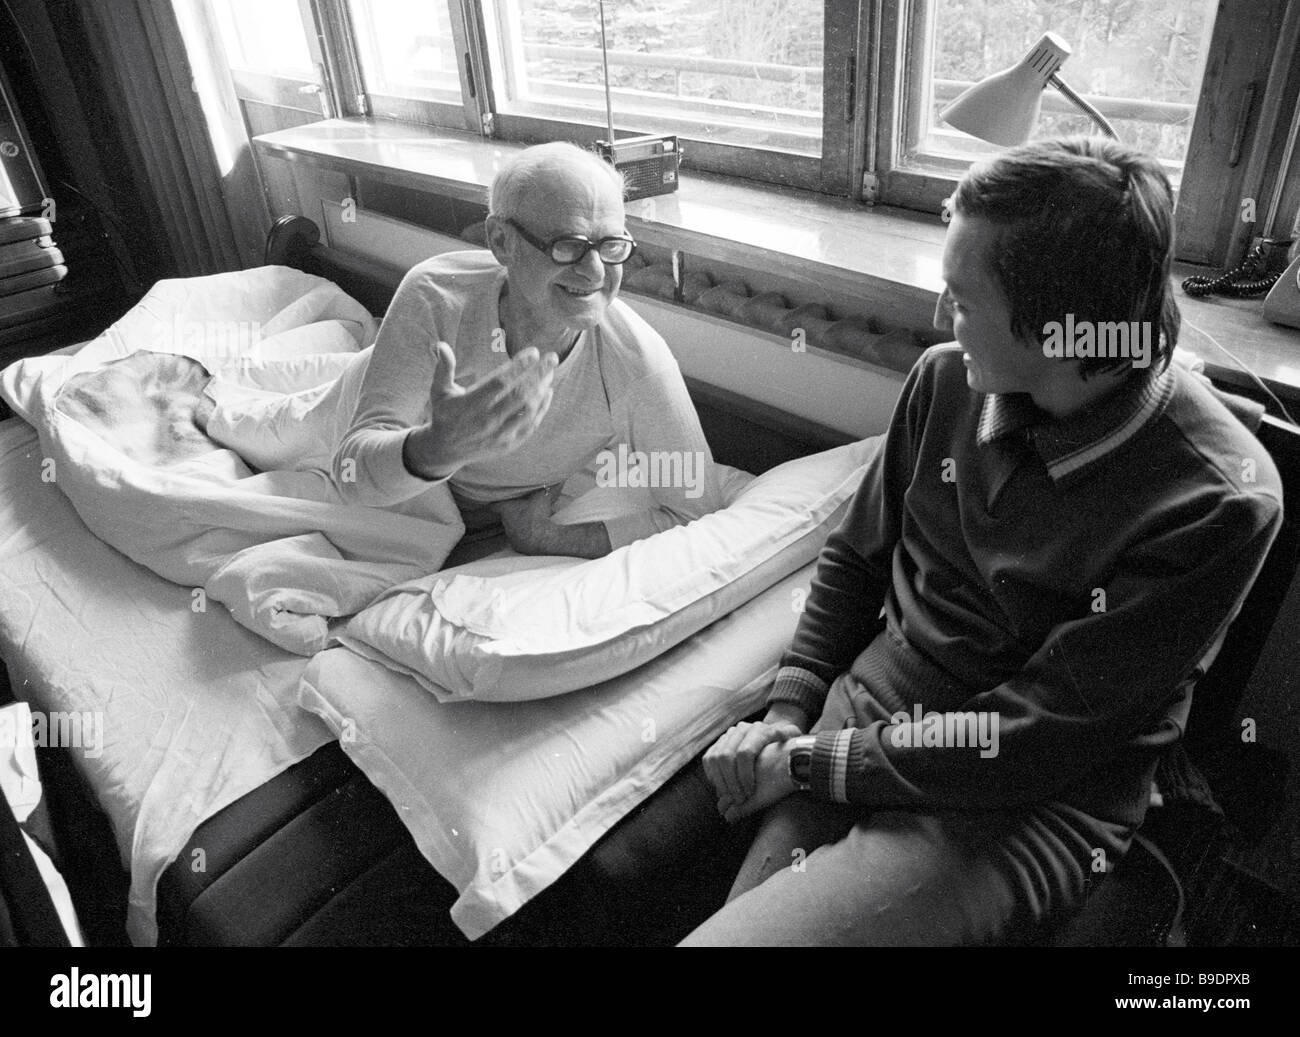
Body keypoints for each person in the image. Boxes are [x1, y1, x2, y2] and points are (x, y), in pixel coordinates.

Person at [685, 136, 1284, 946]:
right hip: (865, 719)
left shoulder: (1217, 498)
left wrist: (809, 763)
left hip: (1027, 799)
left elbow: (1039, 734)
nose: (941, 318)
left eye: (963, 301)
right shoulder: (943, 380)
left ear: (1057, 334)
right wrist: (787, 714)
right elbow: (856, 557)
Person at [201, 141, 721, 557]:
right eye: (567, 246)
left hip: (451, 483)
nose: (595, 273)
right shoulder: (436, 293)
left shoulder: (634, 361)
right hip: (364, 415)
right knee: (255, 432)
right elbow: (354, 470)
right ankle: (209, 394)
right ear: (501, 242)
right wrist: (439, 445)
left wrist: (552, 540)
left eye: (611, 246)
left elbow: (696, 508)